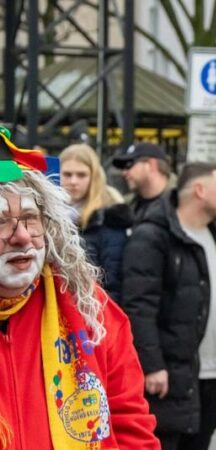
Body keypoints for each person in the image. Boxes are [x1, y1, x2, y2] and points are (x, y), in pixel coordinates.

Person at [0, 130, 158, 449]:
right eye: (1, 221)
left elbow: (130, 422)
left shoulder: (89, 307)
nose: (22, 237)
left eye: (31, 218)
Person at [121, 162, 216, 450]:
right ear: (200, 190)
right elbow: (139, 306)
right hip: (171, 377)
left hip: (215, 375)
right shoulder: (152, 236)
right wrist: (152, 366)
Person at [60, 144, 133, 302]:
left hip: (92, 313)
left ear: (93, 177)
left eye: (81, 175)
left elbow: (112, 284)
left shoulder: (109, 220)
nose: (73, 181)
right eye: (67, 174)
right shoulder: (46, 214)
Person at [111, 142, 171, 222]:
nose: (124, 173)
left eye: (129, 165)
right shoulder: (126, 206)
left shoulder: (181, 205)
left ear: (151, 165)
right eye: (123, 168)